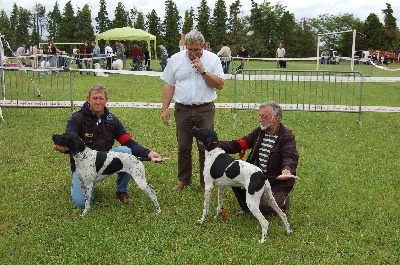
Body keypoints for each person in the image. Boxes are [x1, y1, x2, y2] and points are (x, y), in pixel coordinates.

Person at [53, 84, 164, 208]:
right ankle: (81, 184)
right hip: (84, 166)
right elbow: (69, 141)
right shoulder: (76, 119)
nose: (98, 102)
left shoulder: (113, 120)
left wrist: (148, 153)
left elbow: (128, 142)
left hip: (104, 161)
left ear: (106, 100)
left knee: (126, 151)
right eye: (95, 98)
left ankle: (122, 190)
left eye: (101, 98)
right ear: (88, 99)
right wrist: (63, 149)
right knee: (80, 203)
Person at [160, 29, 225, 192]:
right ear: (185, 45)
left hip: (205, 109)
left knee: (206, 148)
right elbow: (169, 84)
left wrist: (203, 71)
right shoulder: (175, 59)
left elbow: (220, 85)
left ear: (203, 46)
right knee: (183, 147)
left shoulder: (213, 59)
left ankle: (205, 183)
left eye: (196, 49)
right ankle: (184, 180)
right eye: (190, 49)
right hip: (182, 109)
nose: (193, 53)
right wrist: (165, 108)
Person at [218, 101, 299, 215]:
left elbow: (290, 156)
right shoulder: (259, 132)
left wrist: (287, 169)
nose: (260, 120)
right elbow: (240, 145)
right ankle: (247, 207)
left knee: (265, 208)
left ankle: (284, 200)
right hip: (257, 178)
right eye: (260, 116)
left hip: (276, 183)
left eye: (264, 117)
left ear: (276, 118)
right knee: (235, 178)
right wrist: (215, 144)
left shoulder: (287, 137)